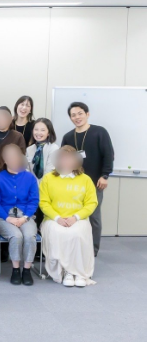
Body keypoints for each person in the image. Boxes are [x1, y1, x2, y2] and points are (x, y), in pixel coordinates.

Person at [39, 146, 98, 287]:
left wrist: (75, 217)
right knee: (58, 233)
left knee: (77, 234)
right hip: (53, 219)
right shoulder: (48, 179)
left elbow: (91, 203)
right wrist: (57, 218)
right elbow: (43, 202)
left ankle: (79, 273)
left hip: (78, 219)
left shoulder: (85, 179)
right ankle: (66, 271)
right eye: (62, 159)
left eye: (69, 159)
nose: (65, 162)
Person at [60, 102, 114, 257]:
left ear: (87, 114)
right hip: (73, 183)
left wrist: (105, 175)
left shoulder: (99, 132)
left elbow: (108, 155)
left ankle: (92, 250)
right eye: (73, 115)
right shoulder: (68, 136)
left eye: (80, 113)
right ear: (70, 118)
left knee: (94, 216)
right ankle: (74, 246)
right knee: (73, 214)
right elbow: (63, 159)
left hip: (95, 183)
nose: (77, 117)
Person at [0, 144, 39, 286]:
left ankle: (27, 270)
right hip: (4, 216)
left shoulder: (30, 178)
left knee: (29, 236)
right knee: (16, 236)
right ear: (4, 160)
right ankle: (16, 269)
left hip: (26, 216)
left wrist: (25, 217)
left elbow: (33, 201)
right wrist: (8, 218)